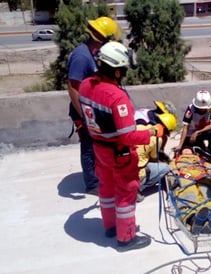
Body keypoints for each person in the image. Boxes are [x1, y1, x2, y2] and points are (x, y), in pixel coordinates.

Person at [78, 41, 163, 252]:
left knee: (105, 189)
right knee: (126, 193)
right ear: (116, 71)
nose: (125, 74)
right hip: (119, 152)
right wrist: (153, 131)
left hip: (100, 148)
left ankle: (110, 227)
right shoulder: (117, 97)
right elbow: (128, 137)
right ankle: (126, 238)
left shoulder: (85, 85)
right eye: (123, 70)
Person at [67, 16, 122, 195]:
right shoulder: (81, 56)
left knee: (99, 144)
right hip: (84, 111)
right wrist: (84, 116)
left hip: (93, 110)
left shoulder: (93, 54)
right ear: (102, 39)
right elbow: (73, 87)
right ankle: (91, 184)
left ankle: (99, 176)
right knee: (89, 146)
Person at [167, 147, 211, 235]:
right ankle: (192, 218)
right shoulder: (176, 160)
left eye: (189, 149)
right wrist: (174, 177)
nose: (187, 150)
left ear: (193, 152)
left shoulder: (201, 161)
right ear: (180, 153)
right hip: (185, 177)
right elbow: (171, 169)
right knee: (188, 194)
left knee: (207, 195)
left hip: (202, 178)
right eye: (184, 149)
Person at [136, 112, 177, 202]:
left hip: (119, 171)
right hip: (136, 174)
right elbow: (154, 160)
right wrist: (164, 162)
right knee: (165, 168)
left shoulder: (140, 127)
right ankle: (136, 189)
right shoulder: (157, 139)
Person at [172, 89, 211, 155]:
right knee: (186, 151)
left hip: (202, 132)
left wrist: (197, 132)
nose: (203, 109)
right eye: (201, 108)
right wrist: (180, 145)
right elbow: (186, 127)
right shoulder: (191, 109)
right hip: (191, 134)